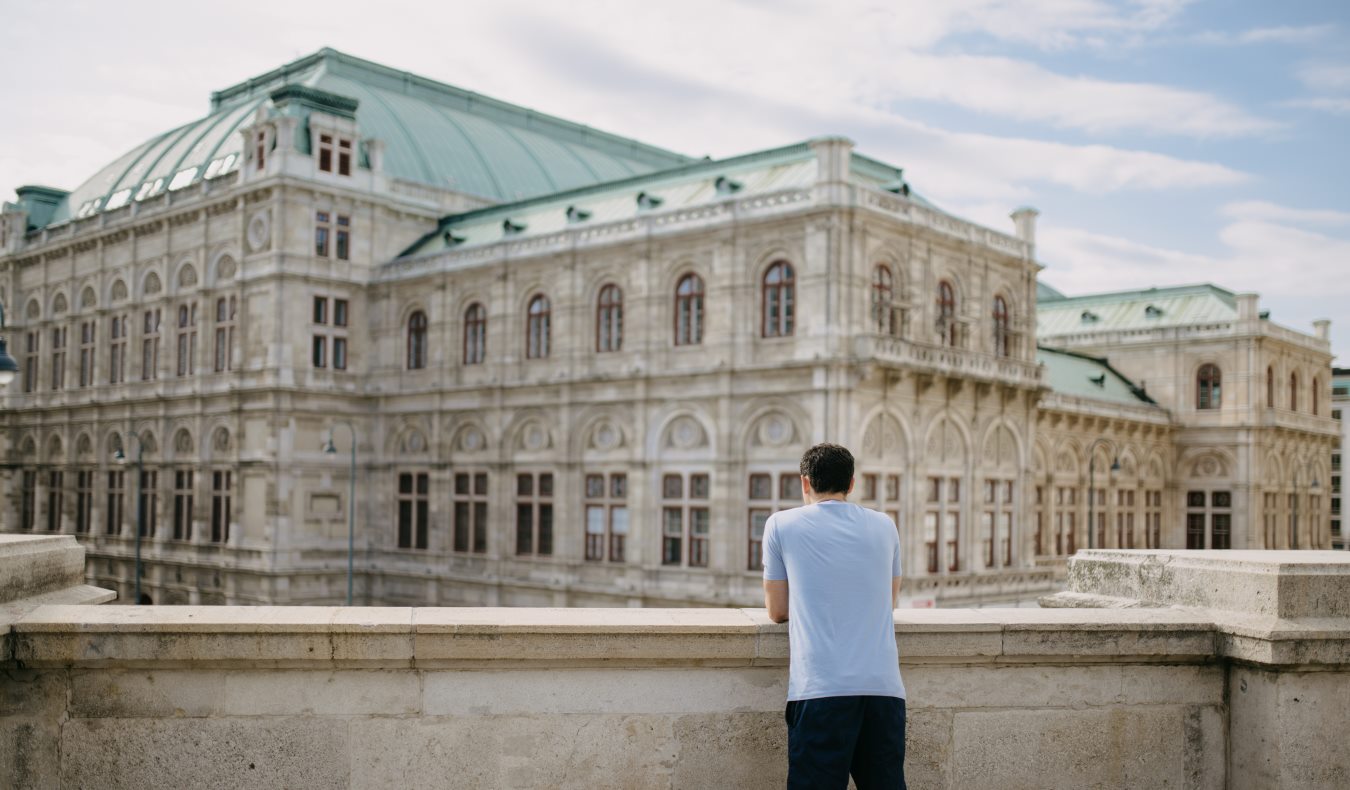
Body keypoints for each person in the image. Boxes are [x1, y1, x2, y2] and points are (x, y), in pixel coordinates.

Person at [763, 442, 906, 789]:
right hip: (883, 690)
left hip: (820, 690)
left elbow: (777, 611)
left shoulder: (781, 524)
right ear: (852, 483)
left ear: (805, 483)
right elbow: (888, 600)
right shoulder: (885, 525)